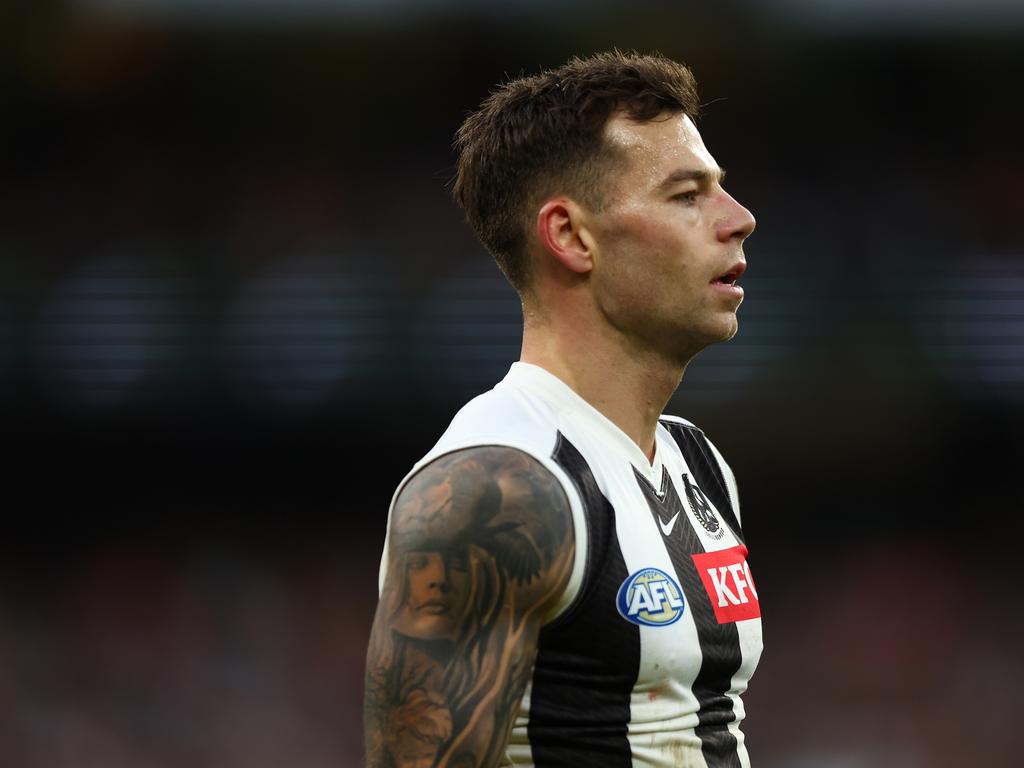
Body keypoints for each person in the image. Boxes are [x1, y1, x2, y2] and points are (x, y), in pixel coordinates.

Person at [364, 50, 761, 768]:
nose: (740, 219)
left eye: (721, 189)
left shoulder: (695, 461)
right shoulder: (496, 489)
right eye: (686, 195)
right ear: (572, 237)